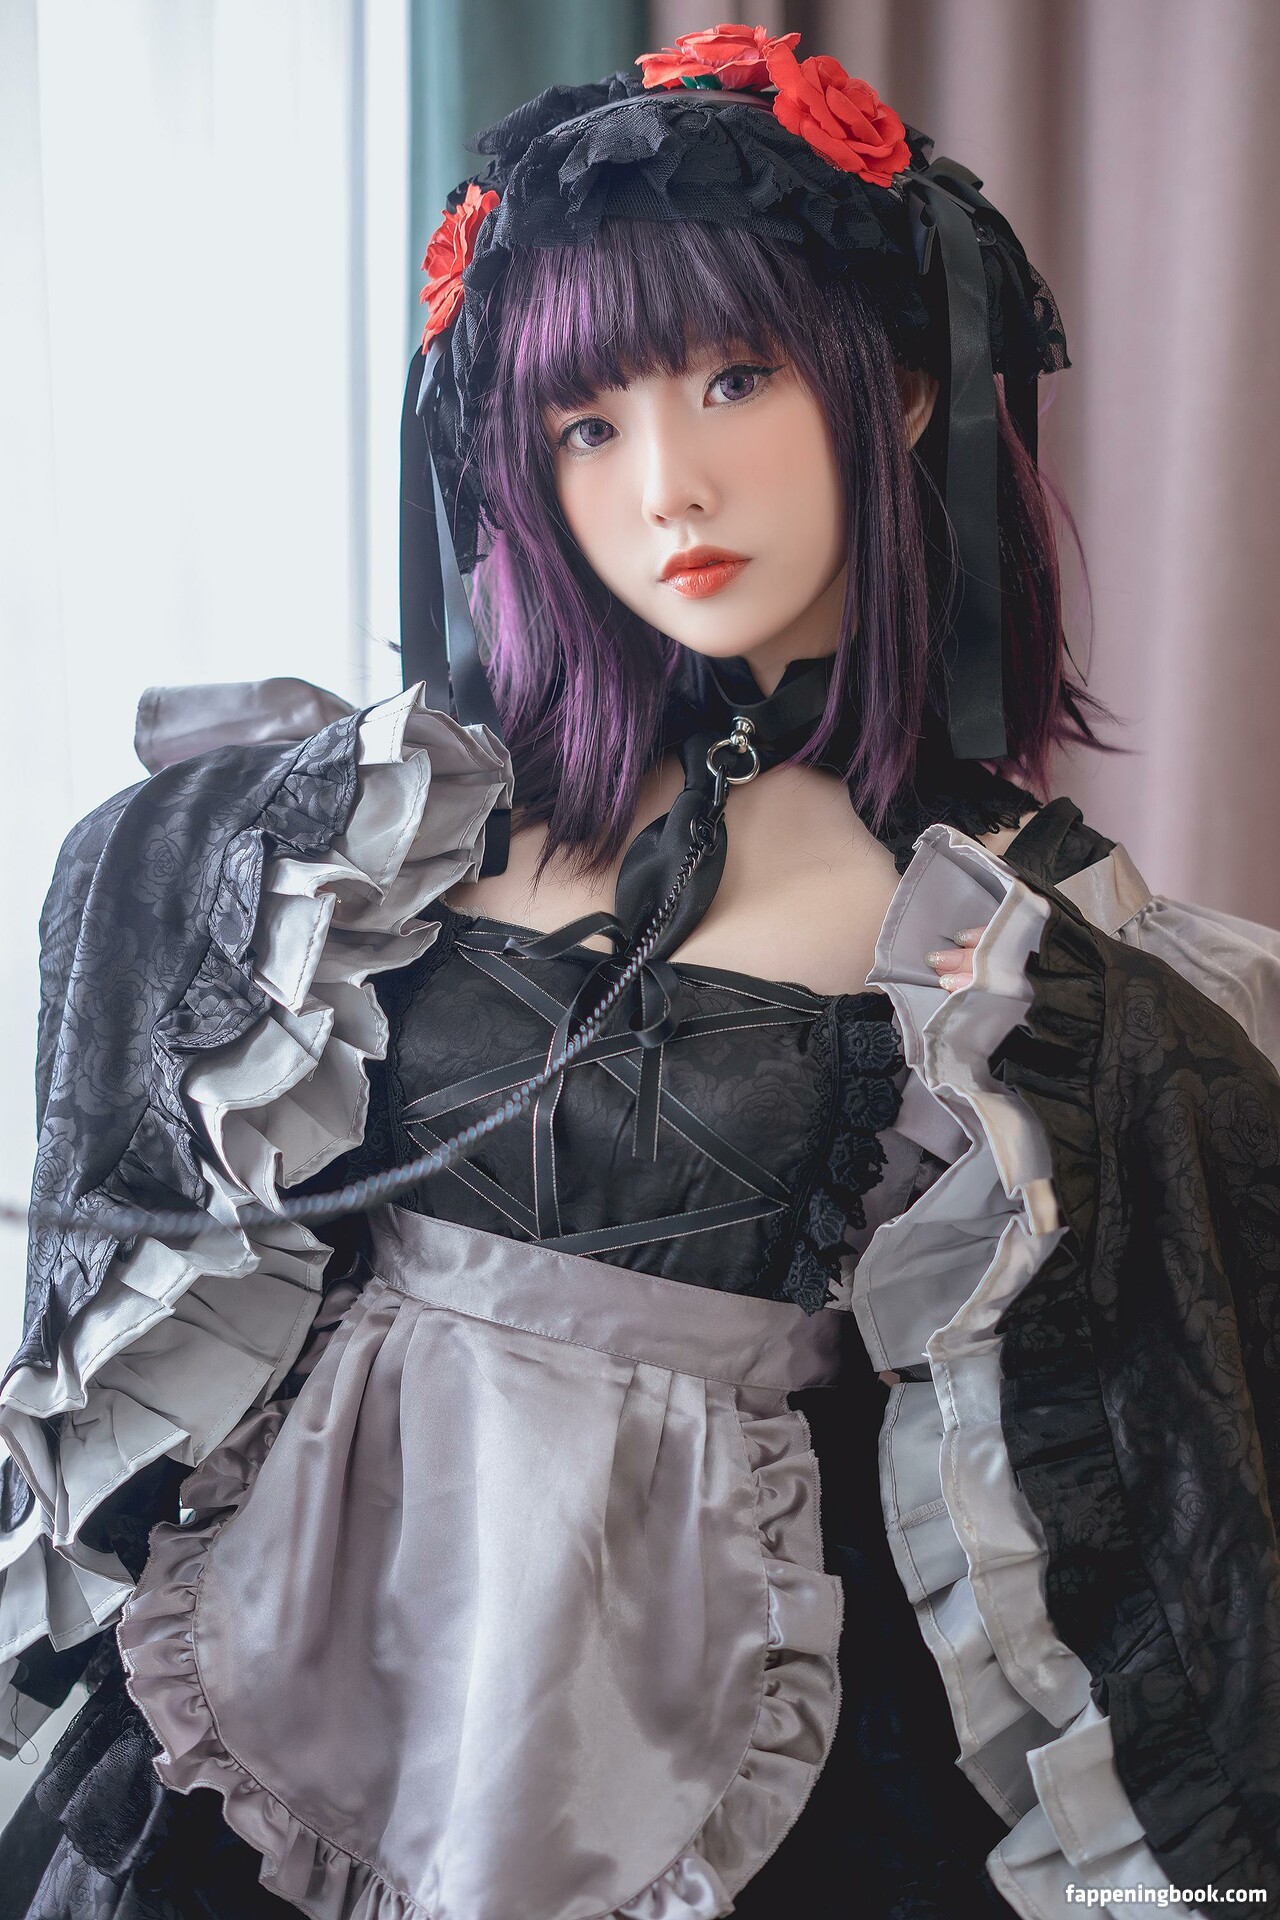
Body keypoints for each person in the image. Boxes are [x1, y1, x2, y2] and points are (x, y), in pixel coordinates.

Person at [0, 22, 1276, 1919]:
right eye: (586, 427)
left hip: (705, 1729)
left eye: (735, 378)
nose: (667, 485)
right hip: (286, 1669)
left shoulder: (1012, 938)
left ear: (900, 389)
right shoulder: (384, 831)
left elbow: (1096, 1460)